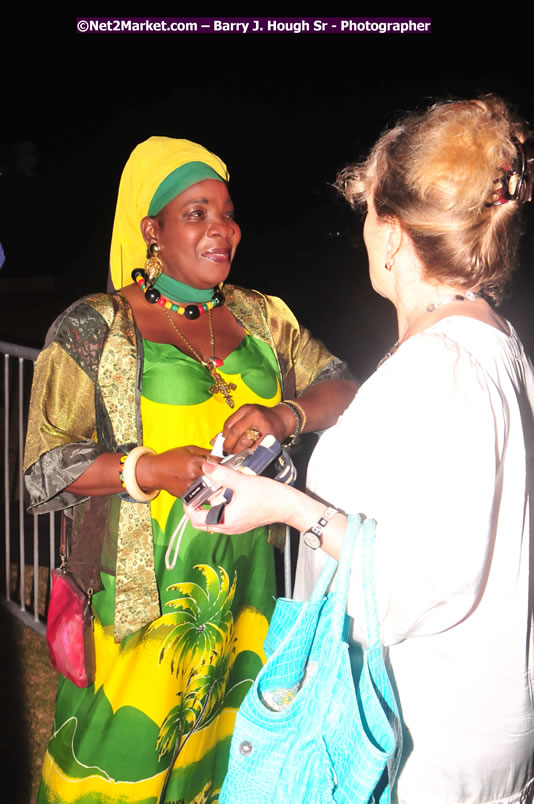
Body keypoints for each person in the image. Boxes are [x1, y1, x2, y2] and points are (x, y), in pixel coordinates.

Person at [186, 96, 534, 803]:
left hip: (421, 737)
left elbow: (417, 583)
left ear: (395, 234)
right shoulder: (493, 342)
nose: (365, 231)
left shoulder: (441, 365)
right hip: (466, 716)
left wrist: (285, 508)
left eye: (370, 211)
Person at [24, 136, 356, 803]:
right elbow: (43, 468)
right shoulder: (94, 327)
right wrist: (148, 469)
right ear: (152, 230)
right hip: (138, 597)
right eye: (196, 213)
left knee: (227, 755)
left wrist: (283, 414)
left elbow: (342, 385)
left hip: (247, 588)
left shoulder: (262, 316)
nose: (221, 229)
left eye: (227, 213)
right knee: (119, 760)